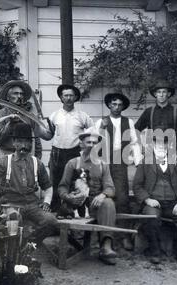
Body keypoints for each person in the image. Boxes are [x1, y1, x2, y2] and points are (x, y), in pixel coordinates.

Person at [0, 123, 77, 246]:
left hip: (32, 206)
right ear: (14, 142)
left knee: (51, 221)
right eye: (19, 141)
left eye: (27, 141)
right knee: (13, 219)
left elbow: (48, 187)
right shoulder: (3, 162)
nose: (24, 145)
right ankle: (16, 250)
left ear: (31, 143)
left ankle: (30, 244)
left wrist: (46, 202)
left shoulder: (37, 163)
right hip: (10, 205)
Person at [58, 127, 118, 265]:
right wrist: (68, 197)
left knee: (108, 203)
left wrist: (103, 195)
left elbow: (110, 187)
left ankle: (106, 246)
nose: (92, 146)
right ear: (81, 143)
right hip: (77, 205)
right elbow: (62, 186)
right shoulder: (73, 163)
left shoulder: (103, 164)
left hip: (95, 204)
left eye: (95, 143)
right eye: (88, 142)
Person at [133, 135, 177, 266]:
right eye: (158, 142)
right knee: (151, 217)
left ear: (168, 145)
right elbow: (137, 185)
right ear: (153, 143)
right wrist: (147, 200)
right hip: (154, 203)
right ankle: (155, 252)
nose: (161, 145)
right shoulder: (145, 162)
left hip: (173, 204)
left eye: (164, 142)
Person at [95, 91, 141, 250]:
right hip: (104, 162)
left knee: (122, 199)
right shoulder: (101, 122)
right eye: (113, 104)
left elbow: (134, 143)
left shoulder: (129, 122)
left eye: (119, 105)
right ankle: (105, 237)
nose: (116, 107)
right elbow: (95, 142)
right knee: (106, 198)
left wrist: (138, 162)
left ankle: (125, 236)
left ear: (123, 107)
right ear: (109, 105)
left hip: (121, 162)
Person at [46, 84, 94, 212]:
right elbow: (48, 134)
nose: (68, 98)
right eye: (65, 95)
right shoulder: (54, 116)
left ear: (75, 97)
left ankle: (75, 214)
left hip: (74, 152)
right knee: (55, 183)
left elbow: (92, 133)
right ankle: (56, 214)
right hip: (57, 153)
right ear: (61, 98)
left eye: (71, 95)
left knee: (75, 183)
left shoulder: (82, 116)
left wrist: (86, 150)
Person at [0, 80, 50, 159]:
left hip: (25, 157)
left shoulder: (28, 115)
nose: (19, 96)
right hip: (5, 156)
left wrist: (37, 159)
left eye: (21, 94)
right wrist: (10, 125)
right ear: (8, 97)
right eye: (16, 93)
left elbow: (36, 138)